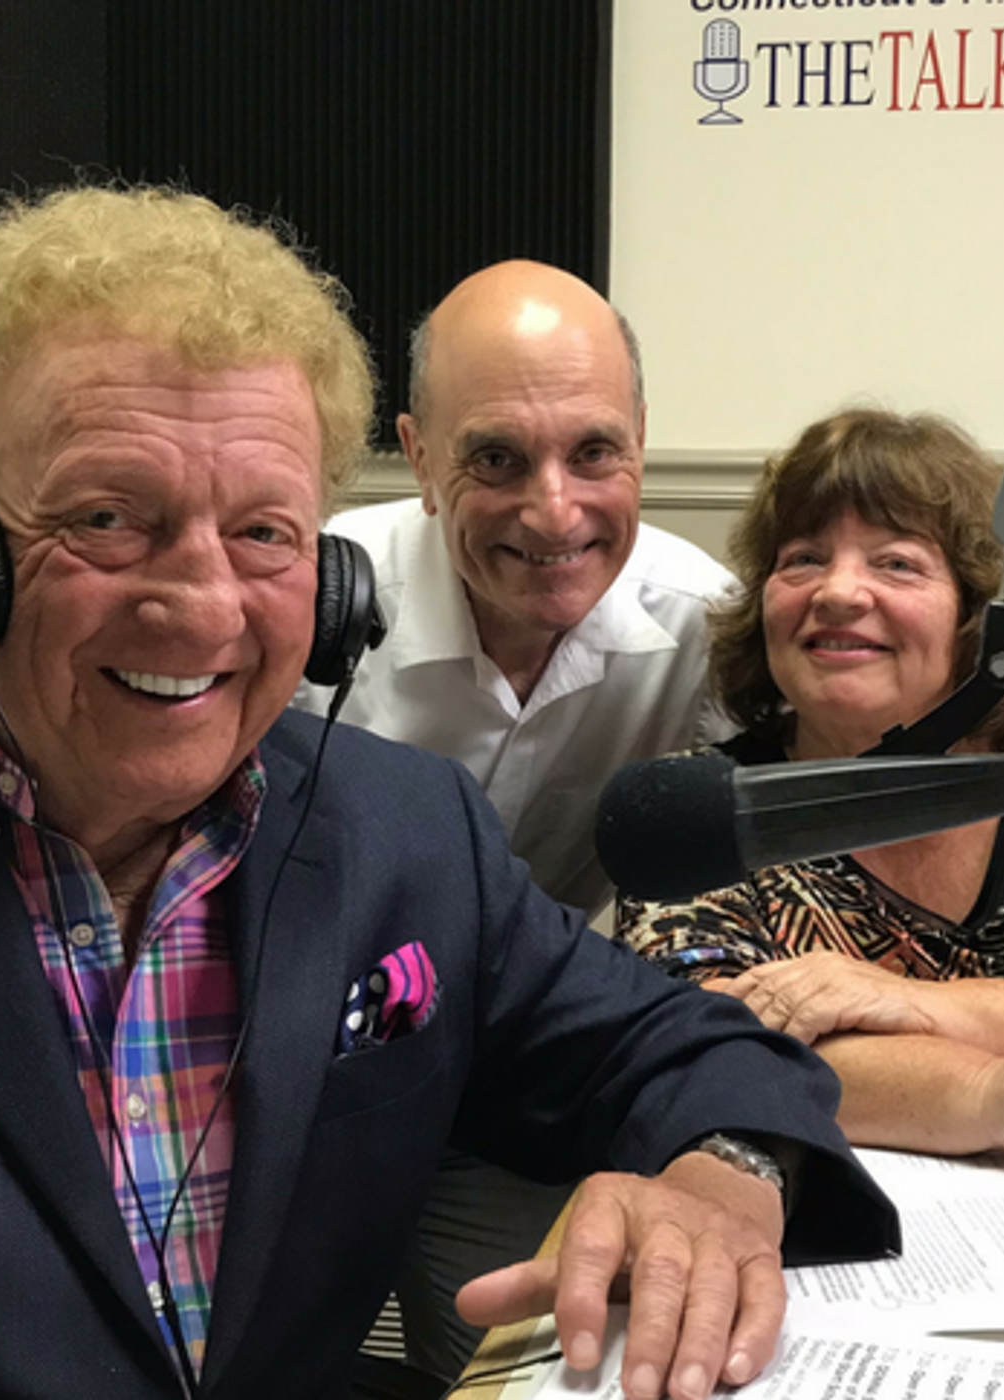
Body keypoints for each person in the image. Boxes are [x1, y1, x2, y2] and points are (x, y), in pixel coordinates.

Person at [0, 187, 897, 1400]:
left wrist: (722, 1179)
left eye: (263, 532)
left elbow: (687, 1047)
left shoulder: (407, 833)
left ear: (327, 578)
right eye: (108, 518)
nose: (205, 608)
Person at [291, 259, 737, 1373]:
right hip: (293, 1088)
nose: (554, 509)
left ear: (642, 438)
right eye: (495, 457)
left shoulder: (702, 627)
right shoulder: (302, 604)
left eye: (594, 451)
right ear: (420, 456)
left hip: (503, 1090)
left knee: (543, 1367)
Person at [616, 408, 1004, 1159]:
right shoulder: (695, 816)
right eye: (803, 559)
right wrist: (996, 1089)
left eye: (896, 563)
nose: (837, 592)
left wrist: (924, 1006)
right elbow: (706, 1051)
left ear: (980, 614)